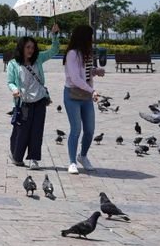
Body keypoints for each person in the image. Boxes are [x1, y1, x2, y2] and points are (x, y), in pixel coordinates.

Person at [6, 24, 61, 169]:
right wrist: (15, 89)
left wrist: (54, 35)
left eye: (32, 47)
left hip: (39, 101)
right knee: (21, 130)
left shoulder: (39, 59)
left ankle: (34, 159)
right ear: (21, 48)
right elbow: (10, 82)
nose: (30, 50)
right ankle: (17, 157)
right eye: (27, 47)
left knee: (37, 130)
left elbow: (54, 50)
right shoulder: (13, 64)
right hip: (23, 102)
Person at [63, 24, 105, 174]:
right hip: (73, 95)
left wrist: (95, 71)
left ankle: (83, 156)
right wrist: (92, 90)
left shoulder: (87, 53)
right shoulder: (72, 54)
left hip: (86, 96)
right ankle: (72, 162)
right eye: (90, 36)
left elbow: (85, 74)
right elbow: (75, 79)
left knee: (90, 130)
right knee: (76, 129)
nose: (92, 40)